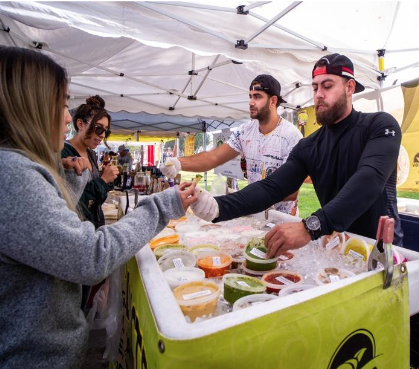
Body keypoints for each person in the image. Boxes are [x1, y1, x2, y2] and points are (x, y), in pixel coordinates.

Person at [0, 46, 197, 368]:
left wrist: (69, 180)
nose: (66, 117)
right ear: (28, 104)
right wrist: (162, 205)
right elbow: (90, 256)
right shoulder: (11, 174)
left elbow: (49, 231)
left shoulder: (17, 167)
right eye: (61, 103)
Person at [190, 53, 403, 256]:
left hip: (382, 249)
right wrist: (218, 207)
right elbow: (271, 188)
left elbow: (370, 179)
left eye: (327, 86)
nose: (319, 94)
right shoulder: (310, 146)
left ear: (349, 87)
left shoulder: (379, 125)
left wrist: (312, 226)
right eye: (315, 87)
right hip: (338, 244)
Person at [160, 74, 303, 216]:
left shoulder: (292, 136)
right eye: (250, 96)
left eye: (257, 96)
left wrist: (238, 199)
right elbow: (214, 157)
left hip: (282, 220)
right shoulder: (245, 131)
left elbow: (291, 192)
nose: (251, 102)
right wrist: (178, 162)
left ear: (273, 101)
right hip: (255, 217)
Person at [62, 95, 119, 229]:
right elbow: (74, 207)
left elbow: (96, 200)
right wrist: (103, 181)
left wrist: (108, 180)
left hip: (94, 228)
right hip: (77, 231)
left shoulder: (91, 154)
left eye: (106, 131)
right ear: (80, 124)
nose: (103, 135)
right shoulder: (65, 154)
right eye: (98, 128)